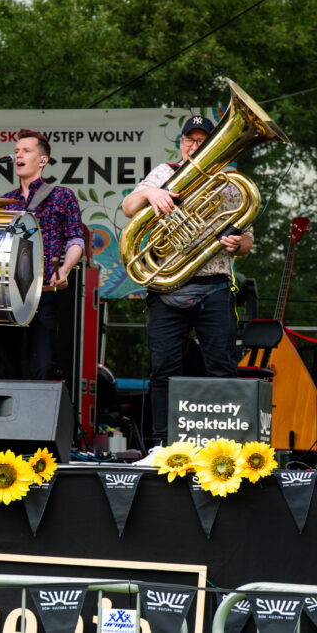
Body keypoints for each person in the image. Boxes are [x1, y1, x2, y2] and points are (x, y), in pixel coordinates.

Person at [121, 115, 251, 446]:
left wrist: (239, 244)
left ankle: (225, 446)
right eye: (189, 140)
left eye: (201, 140)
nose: (194, 145)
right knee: (163, 370)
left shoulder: (230, 180)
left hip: (215, 287)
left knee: (221, 369)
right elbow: (127, 206)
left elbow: (248, 239)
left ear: (213, 142)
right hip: (166, 288)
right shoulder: (164, 173)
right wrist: (152, 194)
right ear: (180, 143)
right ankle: (162, 445)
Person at [0, 129, 85, 382]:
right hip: (7, 293)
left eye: (26, 151)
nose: (18, 155)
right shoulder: (5, 201)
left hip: (42, 293)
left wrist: (65, 268)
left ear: (42, 160)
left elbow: (75, 239)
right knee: (3, 370)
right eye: (16, 151)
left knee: (43, 368)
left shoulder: (62, 196)